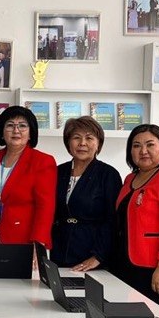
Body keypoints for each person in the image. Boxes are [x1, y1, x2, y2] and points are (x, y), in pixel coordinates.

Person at [110, 124, 159, 311]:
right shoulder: (130, 179)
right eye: (136, 145)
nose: (143, 151)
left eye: (150, 145)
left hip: (157, 268)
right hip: (129, 263)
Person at [50, 116, 120, 271]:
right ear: (68, 143)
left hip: (92, 254)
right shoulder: (57, 172)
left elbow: (112, 220)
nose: (82, 143)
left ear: (98, 143)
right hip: (58, 252)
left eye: (89, 138)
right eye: (76, 137)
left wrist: (98, 256)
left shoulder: (108, 174)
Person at [0, 106, 57, 256]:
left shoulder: (43, 161)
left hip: (26, 241)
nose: (16, 130)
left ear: (31, 133)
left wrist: (38, 243)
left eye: (22, 126)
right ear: (2, 131)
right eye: (10, 125)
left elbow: (45, 207)